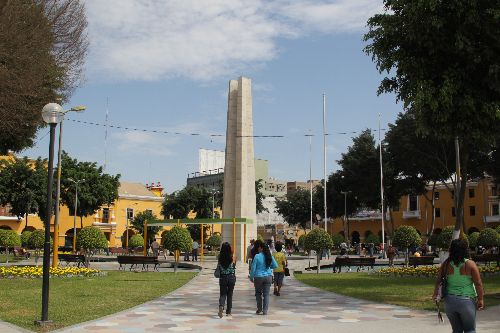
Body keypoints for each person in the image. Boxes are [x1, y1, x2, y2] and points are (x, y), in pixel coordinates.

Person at [433, 239, 484, 333]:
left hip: (450, 302)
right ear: (465, 250)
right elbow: (478, 283)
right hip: (466, 301)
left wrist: (435, 294)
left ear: (451, 249)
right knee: (470, 330)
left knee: (456, 330)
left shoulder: (446, 264)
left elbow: (438, 281)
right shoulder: (470, 264)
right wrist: (480, 299)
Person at [250, 240, 278, 315]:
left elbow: (253, 268)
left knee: (258, 293)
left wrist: (251, 276)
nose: (258, 249)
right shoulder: (270, 256)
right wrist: (269, 266)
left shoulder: (257, 256)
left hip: (258, 277)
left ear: (262, 248)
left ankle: (259, 309)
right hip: (268, 276)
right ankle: (265, 311)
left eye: (259, 247)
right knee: (266, 294)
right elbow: (275, 266)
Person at [217, 242, 236, 318]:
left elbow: (218, 266)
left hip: (223, 277)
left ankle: (221, 306)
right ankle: (229, 311)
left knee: (222, 294)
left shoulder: (219, 257)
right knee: (230, 294)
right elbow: (234, 266)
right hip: (231, 277)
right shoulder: (233, 257)